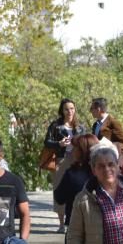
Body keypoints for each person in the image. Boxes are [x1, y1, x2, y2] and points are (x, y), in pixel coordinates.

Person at [46, 99, 88, 232]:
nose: (69, 111)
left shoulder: (80, 127)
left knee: (78, 189)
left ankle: (76, 220)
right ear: (62, 111)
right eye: (66, 109)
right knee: (59, 188)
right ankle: (61, 224)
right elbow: (47, 142)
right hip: (61, 159)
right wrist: (59, 144)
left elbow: (86, 143)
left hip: (77, 160)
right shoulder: (55, 125)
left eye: (72, 108)